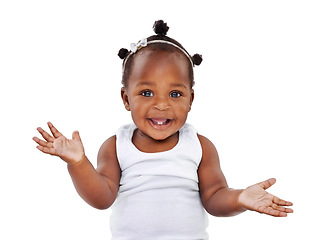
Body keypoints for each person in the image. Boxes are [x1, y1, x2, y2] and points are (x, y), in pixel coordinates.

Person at [33, 20, 293, 239]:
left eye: (175, 93)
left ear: (191, 100)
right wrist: (78, 163)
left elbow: (215, 198)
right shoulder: (116, 146)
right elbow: (102, 199)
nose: (161, 104)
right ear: (126, 99)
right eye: (147, 93)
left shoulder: (200, 145)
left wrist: (240, 199)